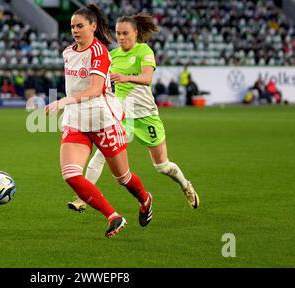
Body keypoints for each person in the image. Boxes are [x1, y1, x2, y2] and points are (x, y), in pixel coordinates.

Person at [68, 13, 199, 213]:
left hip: (146, 115)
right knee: (101, 155)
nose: (121, 37)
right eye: (118, 34)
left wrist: (125, 77)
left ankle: (185, 185)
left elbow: (147, 78)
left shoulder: (144, 51)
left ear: (136, 33)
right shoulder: (112, 55)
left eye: (125, 33)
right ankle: (82, 198)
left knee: (162, 166)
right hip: (121, 115)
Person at [45, 4, 153, 238]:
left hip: (102, 118)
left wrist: (64, 102)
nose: (75, 30)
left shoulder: (99, 52)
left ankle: (145, 199)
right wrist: (68, 105)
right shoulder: (67, 52)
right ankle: (113, 216)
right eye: (72, 26)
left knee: (122, 177)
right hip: (76, 120)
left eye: (80, 25)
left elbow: (95, 90)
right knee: (71, 175)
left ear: (93, 26)